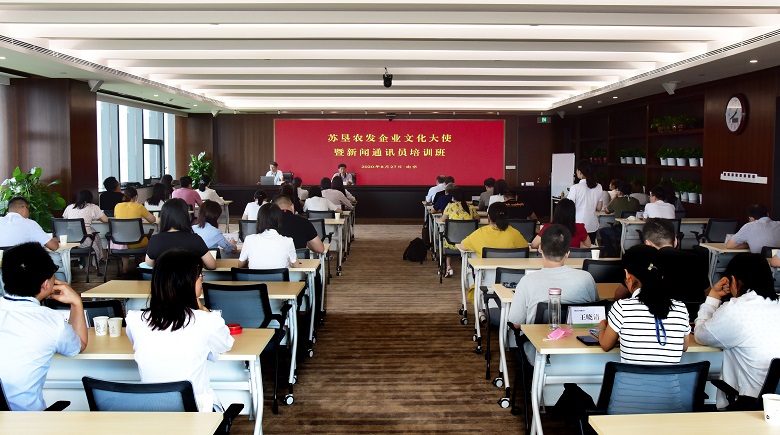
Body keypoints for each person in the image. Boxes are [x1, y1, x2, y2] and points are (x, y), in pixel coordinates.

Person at [126, 249, 233, 412]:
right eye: (199, 275)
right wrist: (204, 309)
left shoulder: (135, 320)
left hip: (152, 413)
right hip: (196, 415)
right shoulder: (206, 320)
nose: (202, 280)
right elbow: (225, 344)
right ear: (186, 282)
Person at [0, 242, 87, 410]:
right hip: (28, 422)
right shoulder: (51, 321)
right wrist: (76, 303)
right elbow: (79, 345)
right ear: (46, 284)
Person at [694, 253, 780, 409]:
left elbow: (701, 335)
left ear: (733, 280)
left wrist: (713, 296)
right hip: (774, 403)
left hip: (750, 403)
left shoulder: (737, 309)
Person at [508, 224, 599, 359]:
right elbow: (596, 314)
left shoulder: (527, 281)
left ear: (540, 248)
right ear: (568, 253)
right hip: (582, 355)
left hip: (540, 356)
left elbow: (516, 323)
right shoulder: (587, 278)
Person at [596, 244, 690, 364]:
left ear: (627, 275)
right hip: (670, 377)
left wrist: (602, 326)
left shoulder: (622, 307)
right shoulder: (680, 308)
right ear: (660, 275)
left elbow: (605, 345)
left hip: (630, 377)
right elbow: (684, 346)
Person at [144, 198, 215, 269]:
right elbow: (212, 265)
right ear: (185, 217)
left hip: (164, 276)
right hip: (189, 276)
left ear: (164, 217)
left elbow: (149, 264)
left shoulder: (155, 240)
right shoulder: (195, 239)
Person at [112, 186, 157, 274]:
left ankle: (125, 268)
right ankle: (143, 266)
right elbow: (152, 220)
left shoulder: (117, 206)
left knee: (125, 238)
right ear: (136, 197)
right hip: (138, 242)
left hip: (120, 242)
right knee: (148, 239)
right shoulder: (139, 206)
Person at [239, 203, 297, 269]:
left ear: (259, 220)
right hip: (278, 276)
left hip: (255, 276)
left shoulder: (249, 239)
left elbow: (240, 265)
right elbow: (296, 265)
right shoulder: (288, 241)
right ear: (279, 220)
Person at [458, 202, 528, 255]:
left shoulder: (480, 233)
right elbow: (526, 247)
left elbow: (463, 246)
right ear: (507, 217)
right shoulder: (515, 233)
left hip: (485, 270)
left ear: (489, 217)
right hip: (509, 270)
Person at [63, 189, 109, 267]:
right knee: (94, 236)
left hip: (70, 239)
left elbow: (65, 220)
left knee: (94, 234)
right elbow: (106, 220)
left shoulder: (69, 207)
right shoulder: (93, 207)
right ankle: (93, 263)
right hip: (85, 239)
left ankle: (84, 263)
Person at [440, 188, 479, 277]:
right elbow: (478, 219)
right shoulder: (470, 207)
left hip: (452, 242)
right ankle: (469, 267)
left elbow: (443, 219)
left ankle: (448, 267)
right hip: (468, 243)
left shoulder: (450, 206)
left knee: (446, 239)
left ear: (453, 197)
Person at [598, 181, 640, 257]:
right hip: (636, 231)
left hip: (620, 230)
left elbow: (607, 210)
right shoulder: (636, 201)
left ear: (619, 192)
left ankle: (611, 253)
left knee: (602, 231)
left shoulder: (616, 201)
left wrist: (614, 198)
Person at [567, 160, 603, 243]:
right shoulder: (599, 187)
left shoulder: (575, 188)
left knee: (577, 248)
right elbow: (599, 208)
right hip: (592, 225)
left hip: (577, 225)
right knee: (590, 248)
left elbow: (568, 207)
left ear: (580, 172)